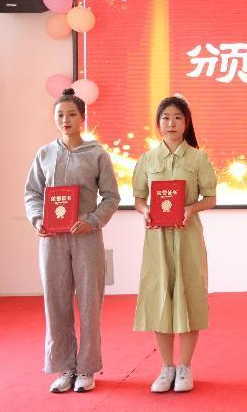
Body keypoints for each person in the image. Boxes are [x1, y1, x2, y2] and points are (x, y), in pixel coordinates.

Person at [24, 88, 120, 393]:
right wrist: (37, 219)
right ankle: (65, 367)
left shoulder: (97, 154)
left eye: (72, 114)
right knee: (56, 303)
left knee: (90, 303)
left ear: (82, 117)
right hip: (52, 240)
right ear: (54, 118)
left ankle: (87, 368)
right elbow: (32, 193)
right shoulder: (44, 154)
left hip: (86, 238)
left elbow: (112, 197)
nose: (65, 120)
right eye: (60, 115)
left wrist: (92, 220)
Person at [132, 95, 217, 393]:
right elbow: (139, 198)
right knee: (160, 297)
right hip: (156, 239)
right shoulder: (147, 159)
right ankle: (166, 367)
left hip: (187, 238)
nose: (172, 123)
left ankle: (185, 367)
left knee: (189, 295)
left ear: (186, 123)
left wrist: (191, 209)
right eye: (166, 117)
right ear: (158, 124)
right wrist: (145, 211)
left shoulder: (198, 159)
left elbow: (210, 198)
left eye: (178, 117)